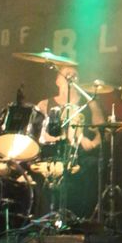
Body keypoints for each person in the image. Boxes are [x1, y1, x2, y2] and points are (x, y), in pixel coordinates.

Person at [37, 65, 105, 221]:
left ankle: (79, 219)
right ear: (58, 80)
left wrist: (93, 144)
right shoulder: (44, 104)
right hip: (52, 154)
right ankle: (46, 217)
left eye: (75, 75)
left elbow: (103, 131)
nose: (71, 77)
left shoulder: (90, 104)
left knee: (91, 166)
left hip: (79, 157)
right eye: (67, 74)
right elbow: (37, 134)